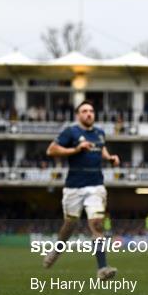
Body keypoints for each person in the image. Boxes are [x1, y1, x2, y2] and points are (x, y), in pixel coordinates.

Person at [43, 100, 120, 280]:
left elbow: (102, 150)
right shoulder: (71, 131)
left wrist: (110, 158)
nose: (89, 114)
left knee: (97, 224)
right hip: (74, 187)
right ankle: (57, 250)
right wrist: (76, 149)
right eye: (84, 111)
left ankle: (102, 268)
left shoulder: (99, 133)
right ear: (78, 115)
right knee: (70, 225)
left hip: (95, 185)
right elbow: (51, 150)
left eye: (91, 111)